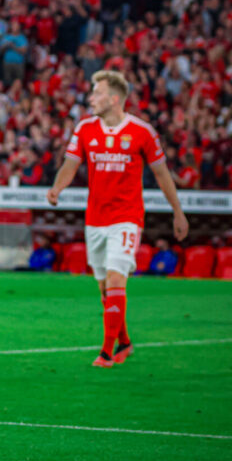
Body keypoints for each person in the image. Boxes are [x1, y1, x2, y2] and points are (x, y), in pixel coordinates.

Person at [47, 70, 189, 367]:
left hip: (127, 217)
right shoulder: (85, 129)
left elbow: (162, 174)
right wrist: (57, 187)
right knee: (103, 288)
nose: (90, 99)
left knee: (115, 278)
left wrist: (178, 211)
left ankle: (106, 351)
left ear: (113, 99)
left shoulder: (142, 131)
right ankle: (124, 341)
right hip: (95, 218)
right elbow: (70, 164)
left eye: (96, 93)